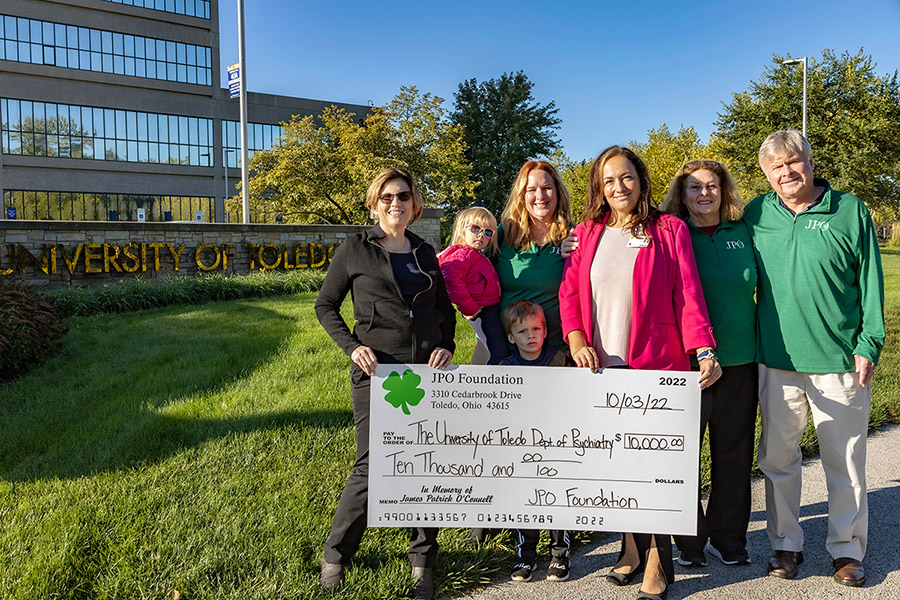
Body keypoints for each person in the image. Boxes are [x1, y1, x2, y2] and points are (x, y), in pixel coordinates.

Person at [559, 145, 720, 600]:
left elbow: (689, 291)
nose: (618, 187)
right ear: (599, 188)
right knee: (618, 467)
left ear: (641, 181)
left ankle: (657, 561)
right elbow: (569, 293)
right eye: (608, 180)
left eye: (626, 177)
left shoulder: (669, 230)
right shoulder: (587, 232)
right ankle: (630, 546)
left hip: (657, 365)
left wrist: (704, 347)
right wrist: (575, 339)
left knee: (653, 468)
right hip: (600, 369)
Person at [745, 130, 885, 587]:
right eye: (776, 167)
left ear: (808, 160)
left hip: (839, 361)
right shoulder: (755, 214)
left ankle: (847, 551)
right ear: (767, 174)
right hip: (777, 361)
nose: (786, 173)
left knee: (844, 462)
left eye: (793, 162)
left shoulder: (849, 210)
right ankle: (785, 544)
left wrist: (870, 342)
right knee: (778, 459)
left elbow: (870, 281)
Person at [314, 168, 456, 600]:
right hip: (379, 373)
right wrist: (353, 346)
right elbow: (325, 306)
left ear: (415, 205)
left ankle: (422, 562)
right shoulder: (355, 250)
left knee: (425, 463)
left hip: (426, 375)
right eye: (387, 197)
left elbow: (444, 309)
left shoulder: (425, 251)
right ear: (375, 204)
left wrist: (446, 345)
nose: (396, 203)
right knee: (372, 466)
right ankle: (335, 555)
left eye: (404, 196)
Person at [467, 160, 574, 545]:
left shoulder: (573, 238)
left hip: (554, 350)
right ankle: (487, 515)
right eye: (531, 189)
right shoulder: (504, 237)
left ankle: (555, 522)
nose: (540, 195)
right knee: (492, 433)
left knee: (548, 438)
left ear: (557, 192)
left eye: (547, 188)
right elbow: (469, 268)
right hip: (500, 346)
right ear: (521, 194)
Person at [660, 160, 758, 568]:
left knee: (734, 455)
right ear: (680, 196)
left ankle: (730, 538)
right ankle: (691, 543)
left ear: (724, 190)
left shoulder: (744, 232)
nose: (704, 194)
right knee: (683, 457)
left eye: (712, 186)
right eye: (694, 187)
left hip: (740, 360)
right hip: (687, 365)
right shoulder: (671, 235)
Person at [499, 300, 572, 582]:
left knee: (557, 499)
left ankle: (559, 554)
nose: (530, 335)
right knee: (524, 500)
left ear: (545, 331)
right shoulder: (506, 366)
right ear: (510, 337)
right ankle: (525, 556)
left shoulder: (562, 358)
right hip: (521, 448)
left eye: (536, 328)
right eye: (522, 331)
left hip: (557, 444)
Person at [438, 207, 506, 364]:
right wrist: (470, 308)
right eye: (476, 229)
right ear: (463, 229)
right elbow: (452, 282)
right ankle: (494, 375)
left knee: (494, 342)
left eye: (488, 233)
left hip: (488, 307)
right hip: (481, 310)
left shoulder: (476, 255)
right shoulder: (463, 255)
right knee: (497, 348)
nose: (481, 235)